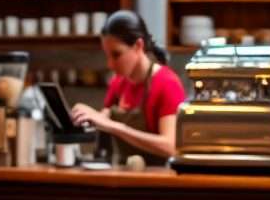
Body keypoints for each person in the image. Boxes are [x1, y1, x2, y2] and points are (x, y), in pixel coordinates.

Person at [69, 10, 185, 163]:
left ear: (138, 46)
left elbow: (170, 147)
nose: (110, 64)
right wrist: (86, 116)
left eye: (116, 55)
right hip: (126, 175)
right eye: (107, 55)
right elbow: (104, 119)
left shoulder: (167, 83)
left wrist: (116, 127)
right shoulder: (119, 82)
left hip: (160, 179)